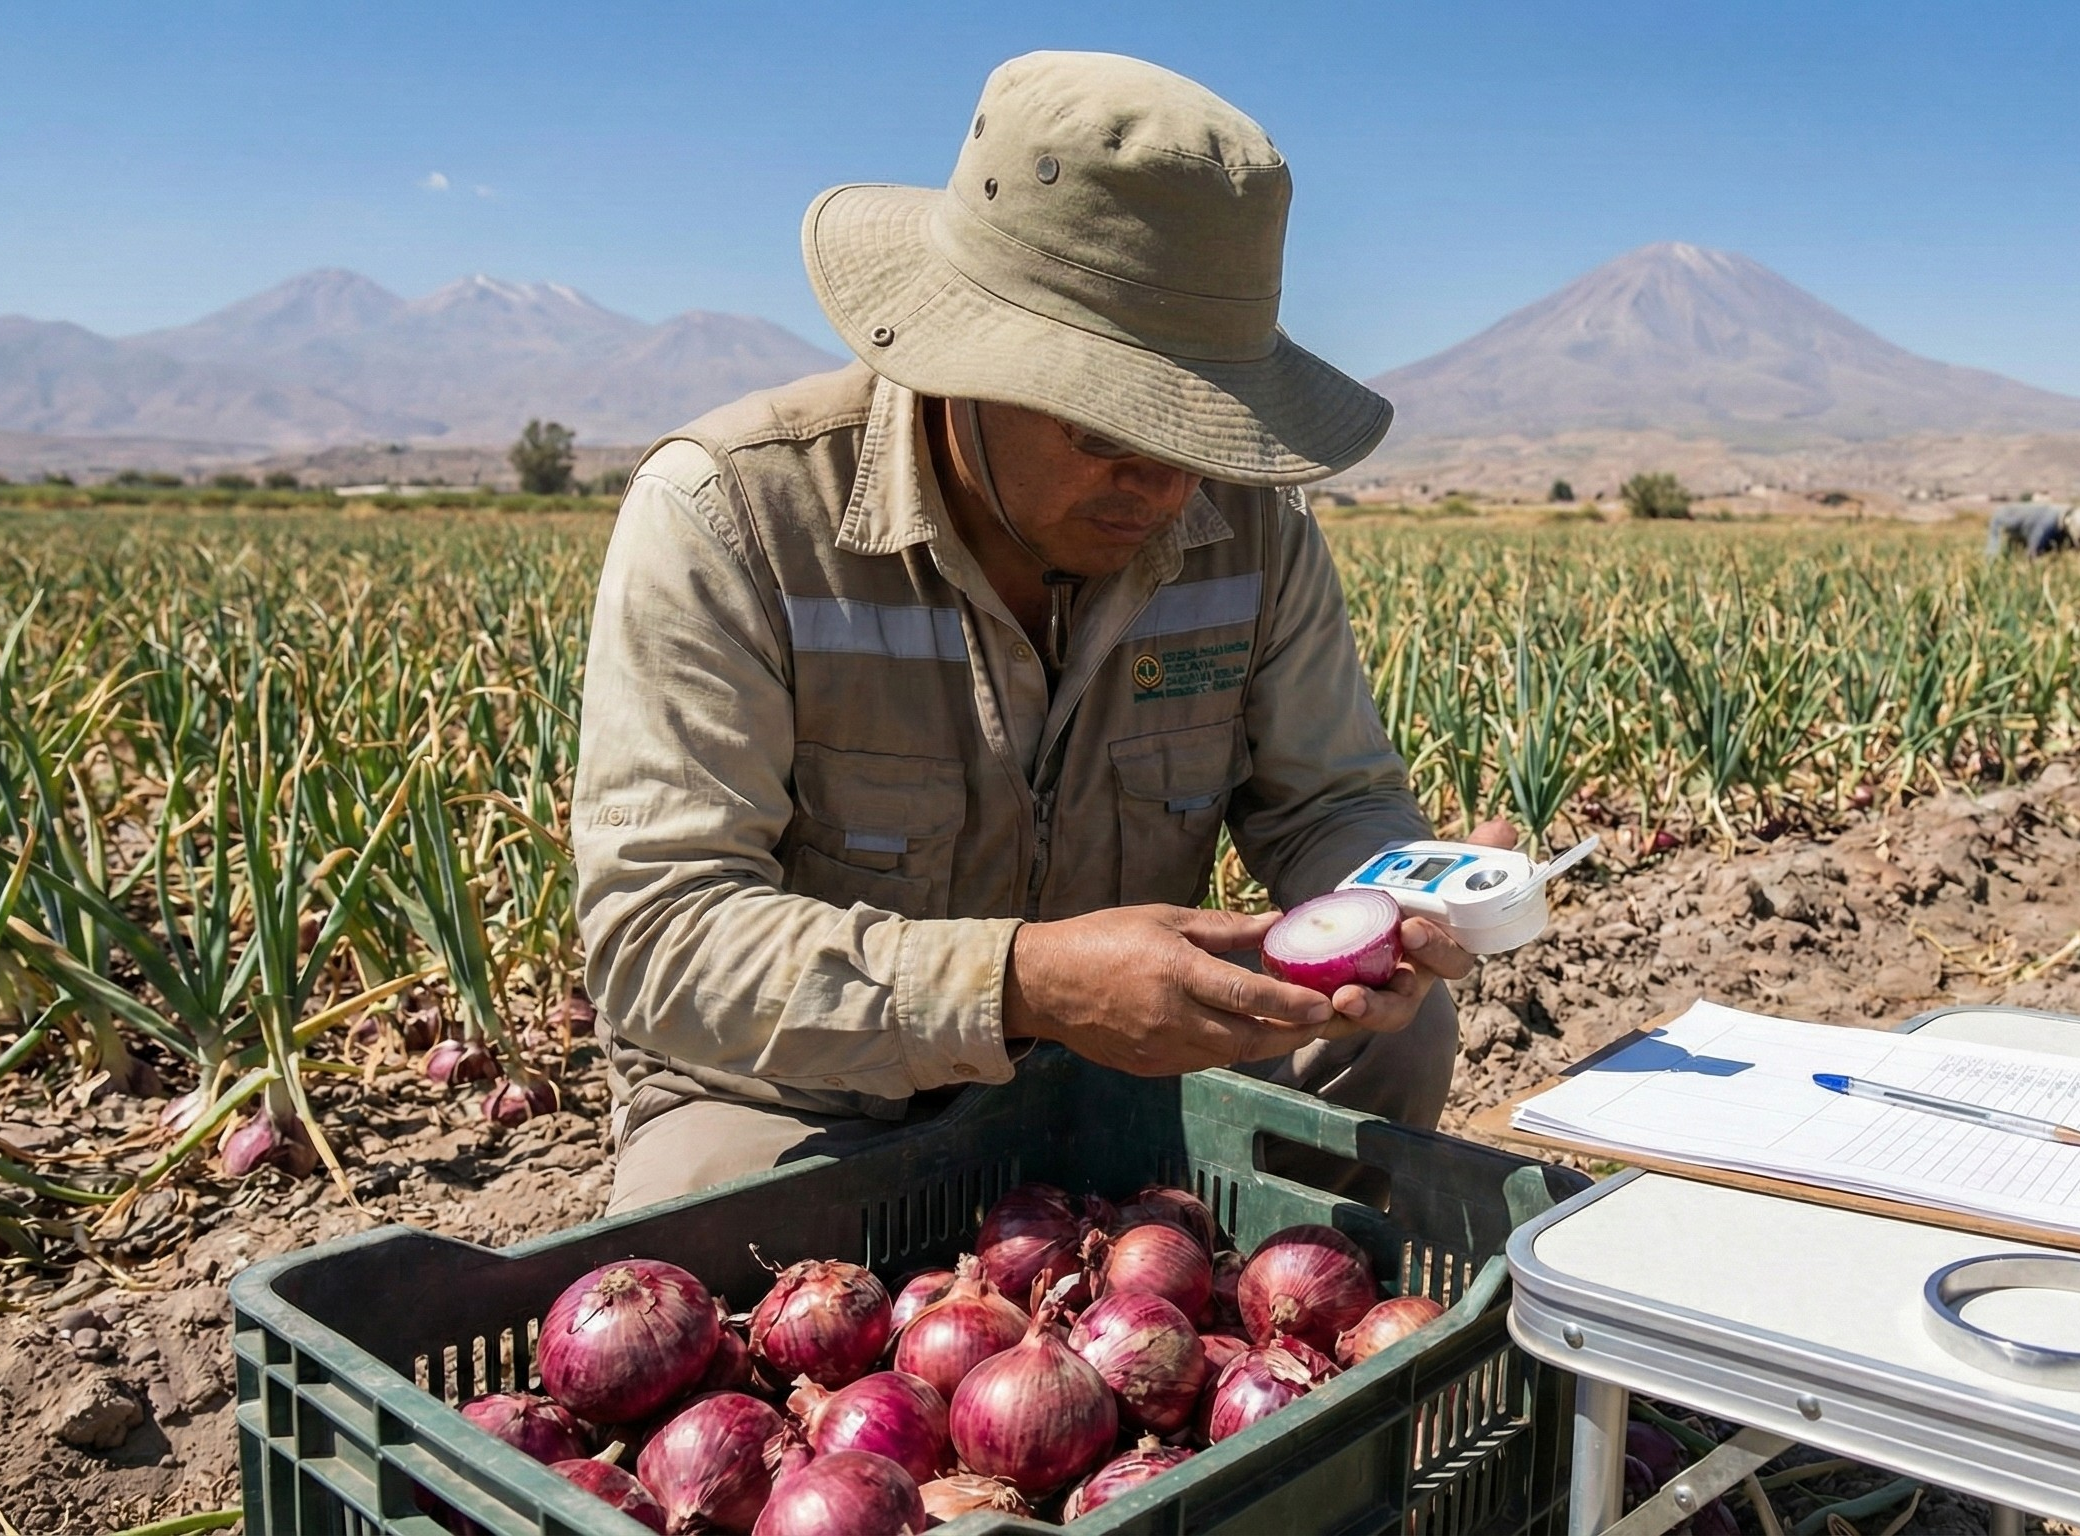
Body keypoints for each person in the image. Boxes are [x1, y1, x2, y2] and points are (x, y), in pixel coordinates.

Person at [572, 52, 1505, 1214]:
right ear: (960, 357)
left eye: (1197, 436)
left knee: (1394, 1047)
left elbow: (1327, 802)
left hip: (1126, 1060)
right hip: (800, 1095)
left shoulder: (1253, 534)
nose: (1165, 491)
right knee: (711, 1253)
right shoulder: (736, 520)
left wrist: (1384, 908)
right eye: (1106, 429)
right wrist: (1018, 982)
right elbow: (658, 933)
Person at [1984, 502, 2080, 560]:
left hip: (2024, 530)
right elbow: (2032, 553)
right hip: (2004, 521)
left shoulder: (2063, 520)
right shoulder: (2047, 525)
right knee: (1996, 555)